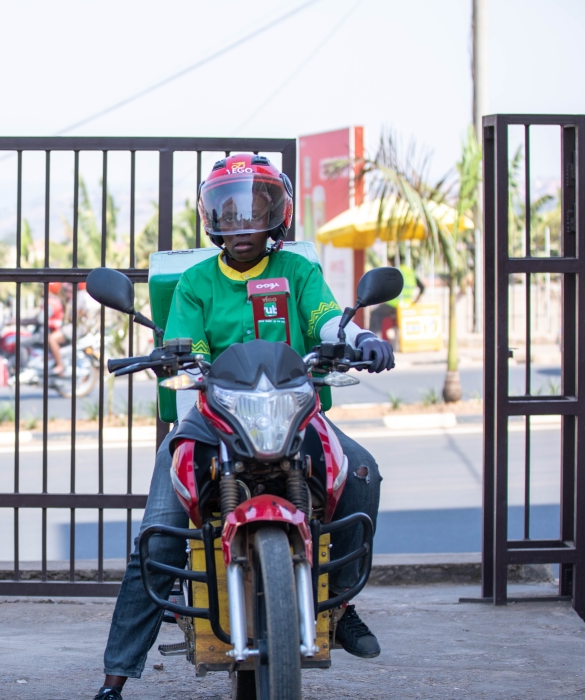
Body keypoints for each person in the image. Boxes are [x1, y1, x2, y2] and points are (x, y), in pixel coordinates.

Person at [94, 154, 394, 700]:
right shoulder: (194, 283)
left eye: (255, 208)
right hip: (213, 419)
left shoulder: (299, 272)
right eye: (228, 211)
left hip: (294, 412)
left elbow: (327, 320)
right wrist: (173, 356)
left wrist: (357, 341)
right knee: (159, 535)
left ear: (277, 213)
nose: (241, 224)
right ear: (212, 218)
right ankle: (116, 677)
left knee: (363, 473)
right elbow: (192, 346)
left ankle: (342, 601)